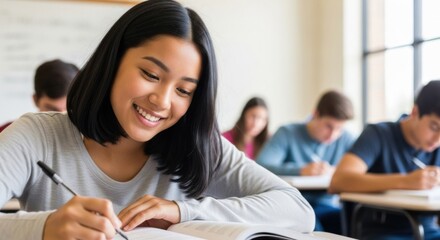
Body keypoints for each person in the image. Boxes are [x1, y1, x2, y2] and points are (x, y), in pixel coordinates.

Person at [0, 1, 315, 239]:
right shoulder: (36, 135)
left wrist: (184, 211)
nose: (162, 101)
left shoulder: (200, 148)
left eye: (184, 90)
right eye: (150, 74)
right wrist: (43, 228)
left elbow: (298, 210)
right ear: (113, 62)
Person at [329, 80, 440, 240]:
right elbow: (338, 181)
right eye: (434, 127)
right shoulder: (377, 135)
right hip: (383, 231)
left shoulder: (436, 146)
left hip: (427, 230)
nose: (438, 139)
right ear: (415, 112)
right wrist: (405, 181)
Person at [257, 90, 355, 234]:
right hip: (294, 205)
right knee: (313, 226)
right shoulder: (287, 133)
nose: (333, 134)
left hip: (327, 205)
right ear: (315, 114)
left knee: (351, 224)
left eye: (339, 128)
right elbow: (261, 166)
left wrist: (339, 171)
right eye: (328, 126)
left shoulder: (346, 138)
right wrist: (301, 170)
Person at [0, 59, 79, 132]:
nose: (60, 119)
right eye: (51, 109)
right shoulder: (6, 134)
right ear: (35, 100)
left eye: (69, 109)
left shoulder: (88, 139)